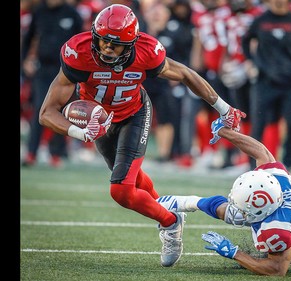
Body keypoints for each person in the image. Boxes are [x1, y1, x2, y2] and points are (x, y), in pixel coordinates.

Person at [38, 4, 246, 267]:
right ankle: (166, 209)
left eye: (114, 45)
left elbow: (184, 73)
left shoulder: (147, 51)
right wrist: (81, 132)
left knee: (121, 190)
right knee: (132, 181)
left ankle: (171, 221)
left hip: (134, 114)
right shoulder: (78, 53)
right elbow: (47, 112)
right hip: (99, 120)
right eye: (101, 41)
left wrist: (223, 108)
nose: (105, 49)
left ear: (131, 44)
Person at [156, 117, 291, 276]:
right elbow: (261, 151)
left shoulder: (278, 230)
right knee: (235, 212)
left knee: (237, 215)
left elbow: (277, 270)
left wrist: (234, 253)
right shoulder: (277, 179)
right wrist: (224, 132)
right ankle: (186, 202)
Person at [241, 0, 291, 171]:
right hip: (264, 81)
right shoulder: (260, 20)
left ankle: (287, 165)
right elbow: (245, 41)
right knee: (259, 124)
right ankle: (251, 166)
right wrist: (250, 61)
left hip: (289, 82)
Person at [21, 0, 84, 167]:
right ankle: (31, 153)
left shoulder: (72, 13)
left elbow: (83, 43)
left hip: (66, 73)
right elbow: (28, 39)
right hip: (43, 70)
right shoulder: (39, 11)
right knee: (40, 110)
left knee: (64, 111)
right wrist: (25, 61)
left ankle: (56, 153)